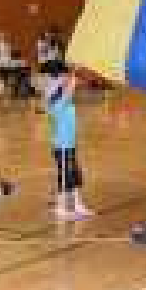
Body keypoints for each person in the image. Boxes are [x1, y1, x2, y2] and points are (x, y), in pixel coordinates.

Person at [44, 61, 93, 220]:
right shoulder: (56, 102)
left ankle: (78, 204)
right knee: (65, 176)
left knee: (74, 175)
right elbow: (67, 90)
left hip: (70, 144)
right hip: (62, 145)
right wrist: (74, 72)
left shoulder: (62, 97)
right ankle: (61, 207)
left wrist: (74, 74)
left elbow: (68, 87)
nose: (66, 79)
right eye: (63, 75)